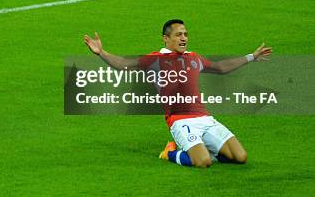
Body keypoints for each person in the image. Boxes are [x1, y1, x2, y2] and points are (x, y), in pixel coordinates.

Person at [83, 19, 272, 168]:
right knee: (202, 162)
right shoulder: (155, 59)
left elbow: (221, 67)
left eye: (186, 34)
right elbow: (124, 64)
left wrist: (251, 57)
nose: (184, 38)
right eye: (179, 34)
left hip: (205, 118)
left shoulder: (193, 57)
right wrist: (101, 52)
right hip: (180, 121)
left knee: (240, 157)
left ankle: (201, 148)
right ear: (166, 38)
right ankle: (171, 152)